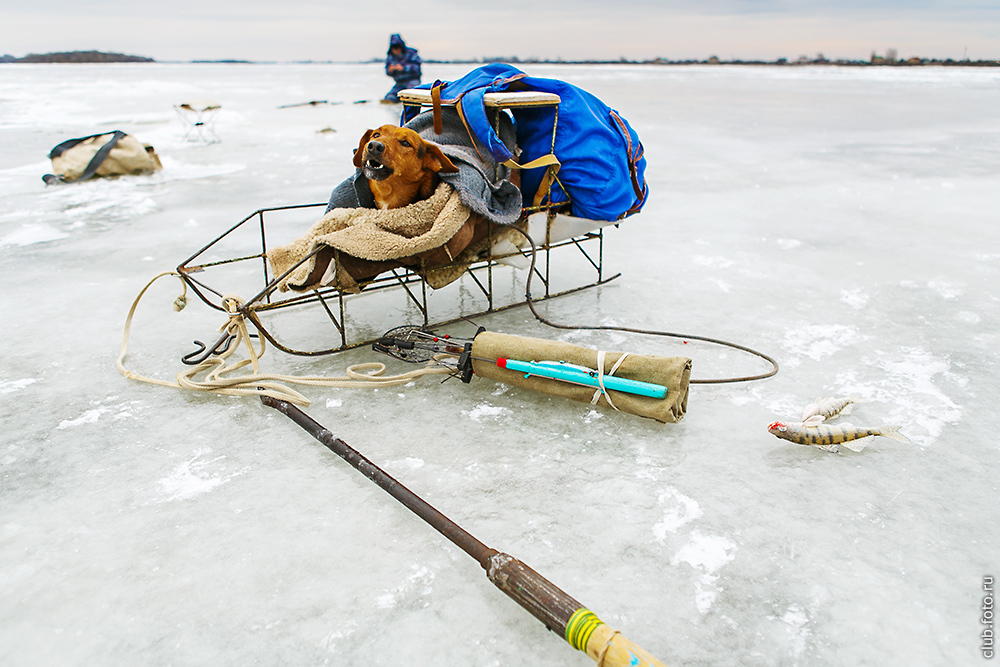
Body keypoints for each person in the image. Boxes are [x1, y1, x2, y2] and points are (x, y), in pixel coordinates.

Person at [383, 34, 422, 103]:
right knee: (390, 98)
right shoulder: (390, 57)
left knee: (412, 95)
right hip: (399, 83)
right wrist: (390, 70)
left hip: (412, 81)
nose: (396, 51)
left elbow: (417, 69)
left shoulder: (412, 54)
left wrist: (404, 68)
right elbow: (387, 72)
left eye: (397, 48)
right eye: (394, 48)